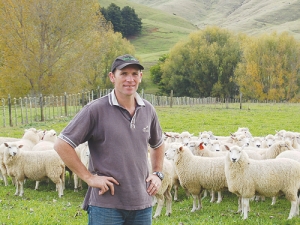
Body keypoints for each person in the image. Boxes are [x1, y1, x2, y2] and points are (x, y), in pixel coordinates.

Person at [54, 54, 165, 225]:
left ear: (140, 77)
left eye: (135, 74)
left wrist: (157, 173)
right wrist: (89, 178)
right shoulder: (95, 109)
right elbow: (62, 144)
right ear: (112, 77)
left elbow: (157, 144)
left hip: (142, 203)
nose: (130, 79)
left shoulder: (148, 109)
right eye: (124, 74)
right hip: (106, 205)